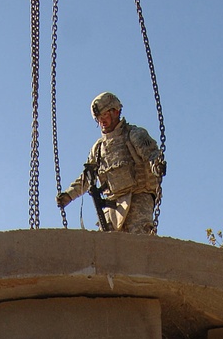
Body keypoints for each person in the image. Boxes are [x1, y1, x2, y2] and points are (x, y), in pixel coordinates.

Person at [56, 91, 165, 233]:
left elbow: (152, 155)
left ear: (116, 111)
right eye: (98, 118)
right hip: (112, 206)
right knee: (105, 248)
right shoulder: (98, 148)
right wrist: (68, 196)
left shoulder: (134, 134)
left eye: (105, 115)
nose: (102, 121)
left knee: (139, 245)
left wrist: (157, 166)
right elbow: (87, 177)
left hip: (138, 198)